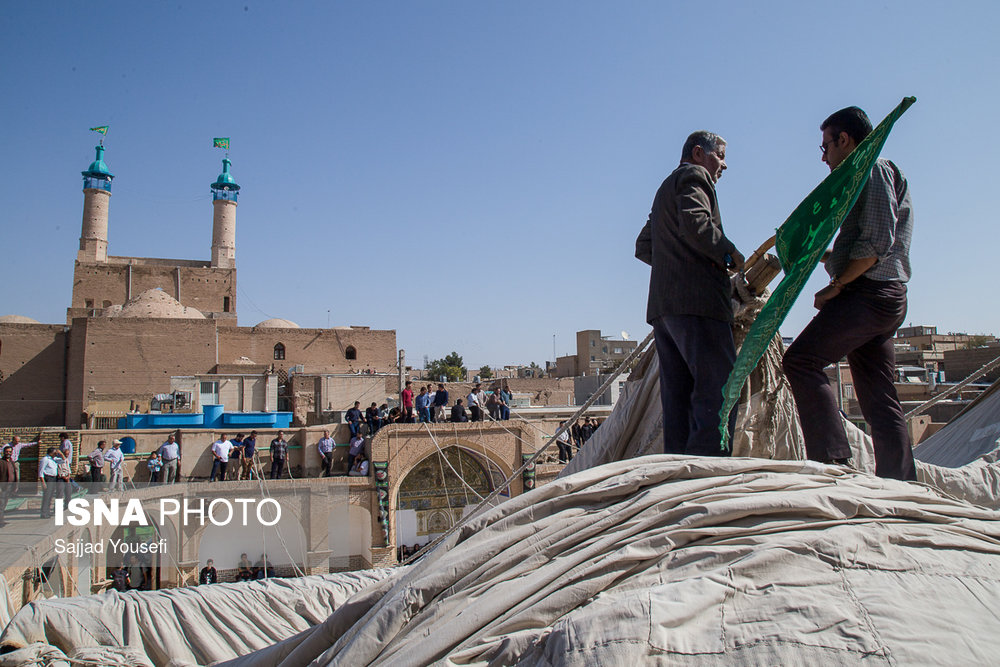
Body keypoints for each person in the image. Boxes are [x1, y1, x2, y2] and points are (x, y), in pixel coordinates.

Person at [783, 106, 916, 481]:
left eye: (825, 146)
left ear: (845, 140)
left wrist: (835, 288)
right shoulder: (870, 172)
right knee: (878, 396)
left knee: (801, 361)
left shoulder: (871, 168)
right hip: (883, 297)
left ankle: (833, 462)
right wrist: (816, 255)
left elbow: (875, 245)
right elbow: (860, 244)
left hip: (869, 294)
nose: (824, 157)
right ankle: (900, 482)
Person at [635, 130, 745, 456]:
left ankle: (679, 475)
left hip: (665, 310)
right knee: (719, 391)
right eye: (720, 156)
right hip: (700, 305)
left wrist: (677, 265)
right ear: (699, 153)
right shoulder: (695, 177)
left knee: (678, 398)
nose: (724, 165)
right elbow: (697, 225)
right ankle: (708, 473)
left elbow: (644, 245)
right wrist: (730, 254)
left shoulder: (664, 189)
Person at [38, 447, 63, 519]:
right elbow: (41, 472)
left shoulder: (53, 459)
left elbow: (63, 461)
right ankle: (44, 513)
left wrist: (61, 454)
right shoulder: (45, 459)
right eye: (55, 452)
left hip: (53, 478)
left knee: (50, 496)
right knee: (47, 496)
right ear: (51, 452)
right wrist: (43, 482)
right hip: (48, 478)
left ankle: (47, 512)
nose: (56, 454)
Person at [0, 445, 16, 527]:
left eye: (10, 452)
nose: (8, 453)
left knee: (4, 503)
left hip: (9, 486)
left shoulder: (11, 462)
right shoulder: (1, 462)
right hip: (2, 487)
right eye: (7, 452)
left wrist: (15, 486)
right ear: (4, 452)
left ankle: (1, 519)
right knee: (1, 504)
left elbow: (14, 474)